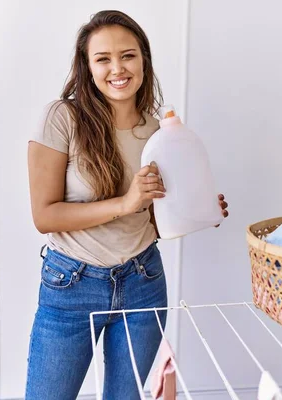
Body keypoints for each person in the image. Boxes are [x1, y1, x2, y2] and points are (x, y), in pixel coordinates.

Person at [25, 9, 229, 399]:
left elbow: (155, 219)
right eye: (103, 58)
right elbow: (45, 216)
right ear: (87, 67)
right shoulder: (61, 118)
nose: (117, 68)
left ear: (143, 60)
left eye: (128, 55)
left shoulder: (157, 131)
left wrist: (198, 208)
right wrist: (125, 201)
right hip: (72, 285)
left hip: (143, 280)